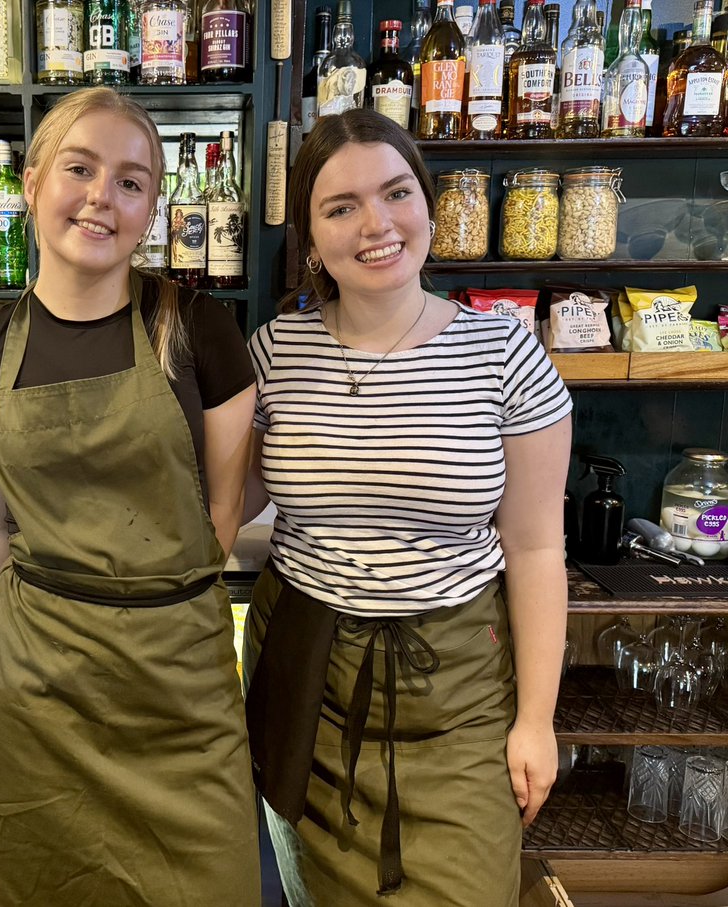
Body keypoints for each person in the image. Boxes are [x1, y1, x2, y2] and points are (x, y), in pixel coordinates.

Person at [0, 87, 261, 907]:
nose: (100, 197)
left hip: (179, 686)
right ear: (34, 183)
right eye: (80, 169)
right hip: (37, 692)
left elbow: (221, 516)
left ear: (151, 208)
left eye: (130, 181)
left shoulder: (200, 331)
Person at [242, 108, 572, 907]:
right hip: (302, 678)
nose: (376, 224)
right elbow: (221, 504)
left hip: (456, 690)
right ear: (312, 238)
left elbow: (534, 549)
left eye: (395, 193)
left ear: (427, 203)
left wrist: (536, 719)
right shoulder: (276, 351)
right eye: (341, 206)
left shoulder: (502, 352)